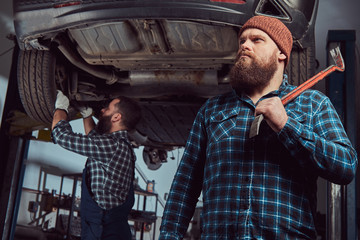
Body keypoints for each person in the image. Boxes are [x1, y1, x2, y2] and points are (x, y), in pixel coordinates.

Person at [159, 16, 358, 239]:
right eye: (242, 40)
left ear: (281, 53)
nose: (244, 45)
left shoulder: (313, 104)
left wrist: (286, 125)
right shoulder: (212, 109)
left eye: (256, 39)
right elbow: (185, 184)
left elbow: (346, 166)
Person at [52, 91, 141, 240]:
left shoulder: (111, 146)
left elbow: (60, 136)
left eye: (108, 109)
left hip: (102, 232)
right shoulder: (120, 146)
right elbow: (94, 140)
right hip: (107, 229)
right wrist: (87, 115)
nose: (102, 110)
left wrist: (61, 107)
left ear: (116, 117)